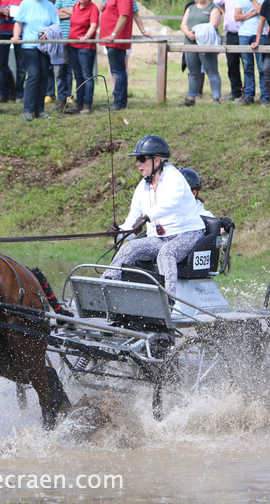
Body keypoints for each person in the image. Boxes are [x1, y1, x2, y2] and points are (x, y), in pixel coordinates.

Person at [102, 135, 206, 298]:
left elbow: (170, 202)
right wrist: (121, 231)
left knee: (167, 253)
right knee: (129, 248)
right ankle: (105, 289)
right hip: (159, 238)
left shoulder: (174, 178)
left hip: (187, 234)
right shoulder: (143, 186)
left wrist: (146, 217)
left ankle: (168, 300)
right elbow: (133, 218)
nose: (138, 163)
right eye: (137, 159)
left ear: (157, 160)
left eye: (142, 158)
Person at [12, 0, 59, 120]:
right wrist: (16, 35)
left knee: (43, 76)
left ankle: (40, 110)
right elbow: (18, 22)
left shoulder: (49, 6)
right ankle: (28, 109)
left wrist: (47, 32)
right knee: (33, 75)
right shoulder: (25, 4)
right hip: (29, 45)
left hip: (44, 47)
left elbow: (55, 25)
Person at [181, 0, 223, 106]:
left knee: (212, 71)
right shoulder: (190, 8)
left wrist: (197, 33)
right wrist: (187, 32)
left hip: (206, 45)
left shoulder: (214, 9)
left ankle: (216, 98)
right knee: (193, 72)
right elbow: (183, 24)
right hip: (190, 44)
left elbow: (212, 25)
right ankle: (191, 98)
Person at [66, 0, 98, 114]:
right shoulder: (75, 6)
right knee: (78, 76)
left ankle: (87, 105)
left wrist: (86, 36)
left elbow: (94, 26)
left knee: (87, 76)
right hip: (72, 46)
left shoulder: (93, 8)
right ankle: (79, 104)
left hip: (85, 48)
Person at [100, 0, 132, 110]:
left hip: (116, 40)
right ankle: (119, 101)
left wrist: (113, 35)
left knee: (118, 71)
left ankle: (119, 102)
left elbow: (123, 16)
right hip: (110, 39)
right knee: (117, 70)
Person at [235, 0, 267, 105]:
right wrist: (253, 13)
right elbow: (237, 17)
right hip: (244, 34)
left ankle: (265, 96)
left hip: (261, 33)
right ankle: (249, 95)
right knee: (247, 66)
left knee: (262, 67)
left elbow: (261, 10)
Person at [0, 0, 25, 103]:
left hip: (21, 32)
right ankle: (2, 94)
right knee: (1, 65)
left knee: (21, 66)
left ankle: (19, 95)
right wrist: (1, 11)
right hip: (2, 31)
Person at [214, 0, 244, 100]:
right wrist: (222, 12)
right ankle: (236, 92)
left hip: (245, 33)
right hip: (231, 34)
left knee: (247, 64)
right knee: (232, 64)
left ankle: (248, 92)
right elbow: (213, 4)